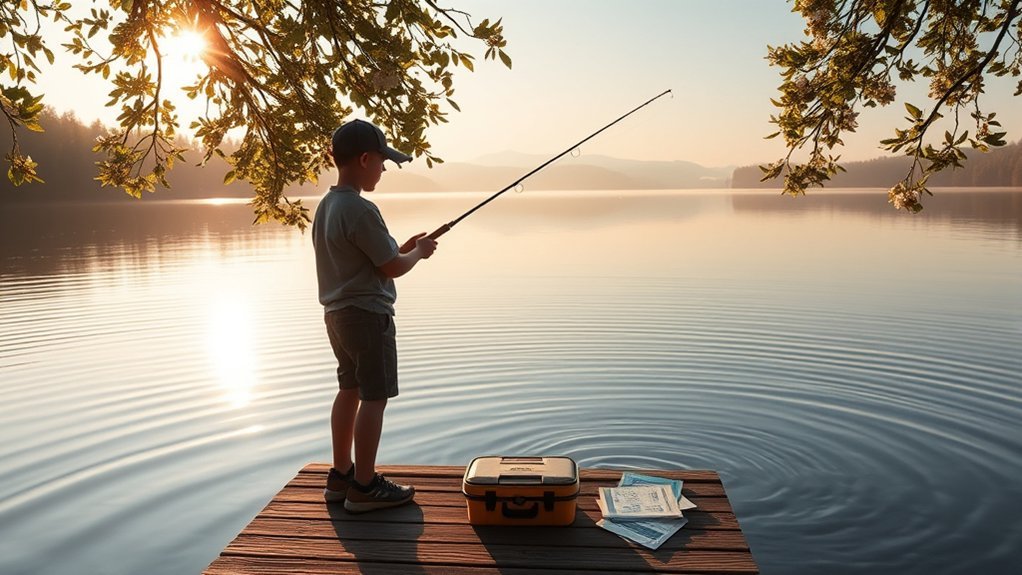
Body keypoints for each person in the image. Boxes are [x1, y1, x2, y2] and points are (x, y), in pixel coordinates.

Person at [312, 119, 437, 513]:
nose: (384, 169)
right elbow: (391, 268)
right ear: (365, 159)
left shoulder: (327, 207)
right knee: (375, 397)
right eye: (382, 161)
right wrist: (418, 253)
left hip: (338, 317)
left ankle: (341, 475)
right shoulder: (362, 209)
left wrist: (403, 247)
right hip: (368, 317)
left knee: (349, 390)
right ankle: (365, 486)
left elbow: (371, 259)